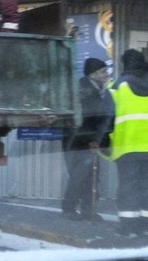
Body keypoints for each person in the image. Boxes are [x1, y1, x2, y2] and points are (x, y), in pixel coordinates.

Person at [103, 49, 148, 237]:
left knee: (129, 186)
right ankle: (145, 226)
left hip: (126, 147)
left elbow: (106, 120)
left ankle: (129, 227)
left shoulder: (116, 87)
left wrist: (101, 142)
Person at [61, 57, 111, 221]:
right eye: (103, 71)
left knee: (91, 177)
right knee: (80, 176)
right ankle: (69, 208)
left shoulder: (99, 89)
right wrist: (91, 140)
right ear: (93, 74)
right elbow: (83, 120)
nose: (106, 74)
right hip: (78, 143)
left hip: (87, 142)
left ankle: (88, 211)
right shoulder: (84, 90)